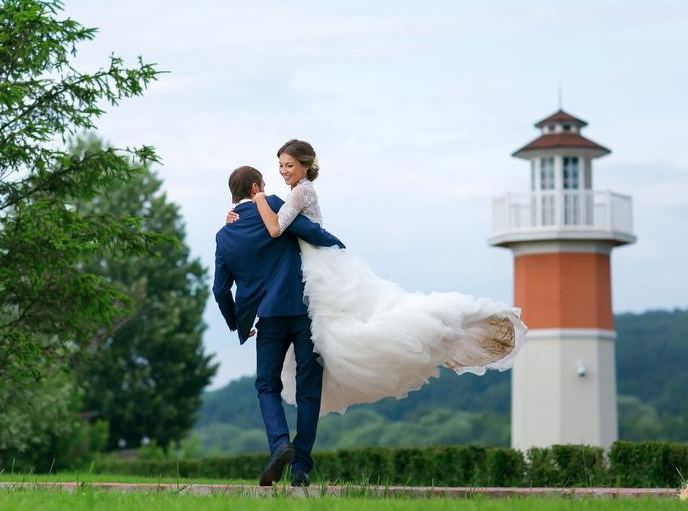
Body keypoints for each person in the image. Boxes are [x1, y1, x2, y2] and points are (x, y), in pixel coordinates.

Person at [227, 140, 526, 416]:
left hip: (321, 268)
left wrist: (259, 200)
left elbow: (276, 228)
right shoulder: (295, 193)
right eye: (280, 165)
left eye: (289, 165)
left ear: (306, 165)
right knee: (333, 337)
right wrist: (236, 214)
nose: (283, 171)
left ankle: (433, 334)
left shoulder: (301, 192)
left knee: (352, 330)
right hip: (311, 269)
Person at [213, 166, 345, 487]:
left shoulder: (224, 234)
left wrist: (238, 324)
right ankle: (300, 468)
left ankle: (279, 444)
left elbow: (220, 290)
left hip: (268, 319)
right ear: (257, 186)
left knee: (267, 386)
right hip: (303, 311)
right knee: (308, 389)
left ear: (233, 194)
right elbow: (308, 230)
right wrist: (339, 247)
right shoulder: (272, 204)